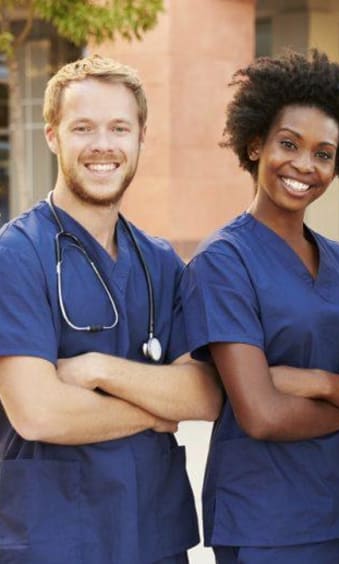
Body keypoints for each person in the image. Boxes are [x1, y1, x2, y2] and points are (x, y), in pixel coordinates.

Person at [0, 55, 222, 563]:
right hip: (55, 538)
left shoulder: (161, 262)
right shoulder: (17, 254)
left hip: (152, 536)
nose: (103, 145)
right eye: (83, 127)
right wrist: (154, 408)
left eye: (119, 127)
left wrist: (97, 369)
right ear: (52, 135)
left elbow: (205, 395)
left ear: (142, 137)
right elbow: (38, 412)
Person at [179, 50, 339, 564]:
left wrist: (319, 383)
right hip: (266, 522)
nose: (304, 165)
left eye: (323, 153)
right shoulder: (223, 262)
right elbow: (262, 415)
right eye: (288, 144)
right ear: (255, 144)